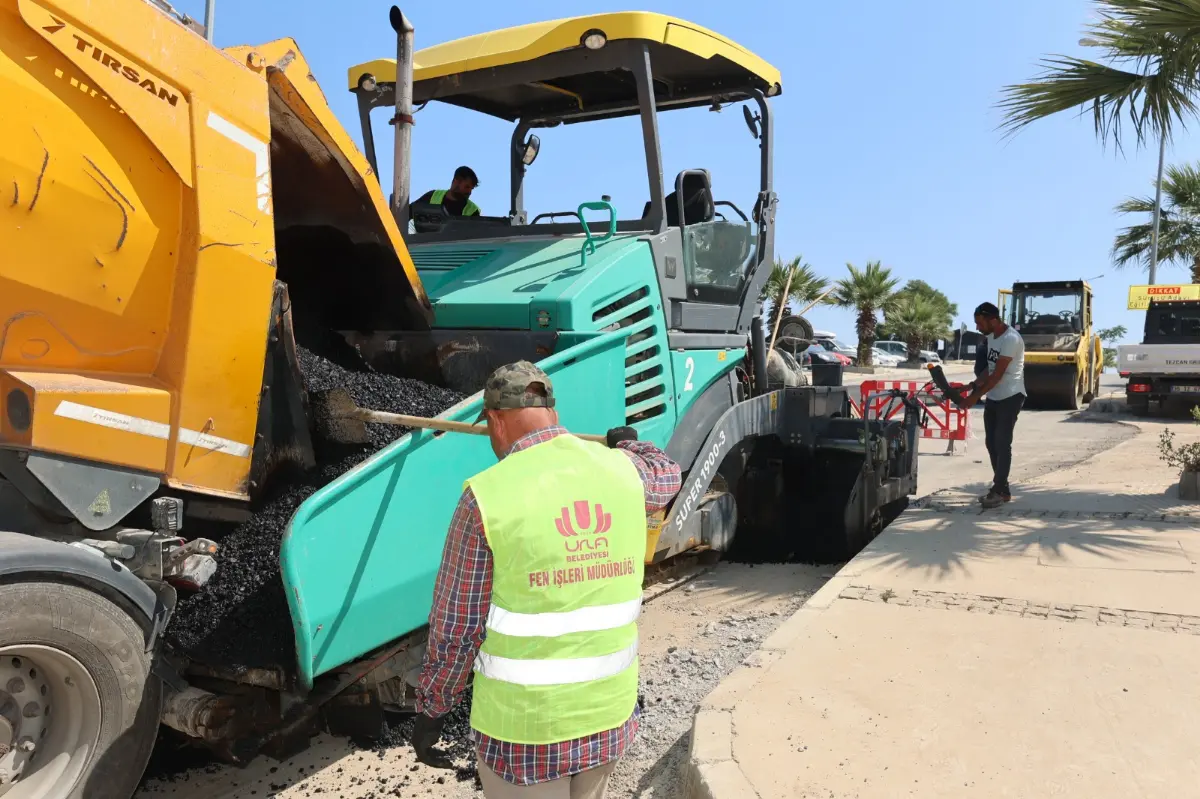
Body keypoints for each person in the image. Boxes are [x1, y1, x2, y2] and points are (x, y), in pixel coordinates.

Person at [411, 361, 682, 798]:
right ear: (552, 413)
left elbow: (456, 629)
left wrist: (432, 712)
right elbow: (668, 472)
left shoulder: (485, 498)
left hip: (524, 731)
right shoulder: (626, 472)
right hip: (607, 719)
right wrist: (632, 446)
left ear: (496, 421)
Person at [962, 302, 1026, 508]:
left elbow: (998, 375)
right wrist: (972, 385)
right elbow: (989, 370)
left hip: (1011, 395)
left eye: (980, 323)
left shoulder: (1010, 339)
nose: (978, 328)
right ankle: (1003, 489)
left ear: (993, 319)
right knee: (991, 443)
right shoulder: (991, 337)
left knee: (1002, 442)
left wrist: (974, 397)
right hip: (994, 396)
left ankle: (998, 489)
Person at [415, 166, 481, 217]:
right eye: (467, 187)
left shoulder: (473, 211)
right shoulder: (432, 196)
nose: (469, 192)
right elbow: (408, 213)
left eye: (471, 189)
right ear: (456, 181)